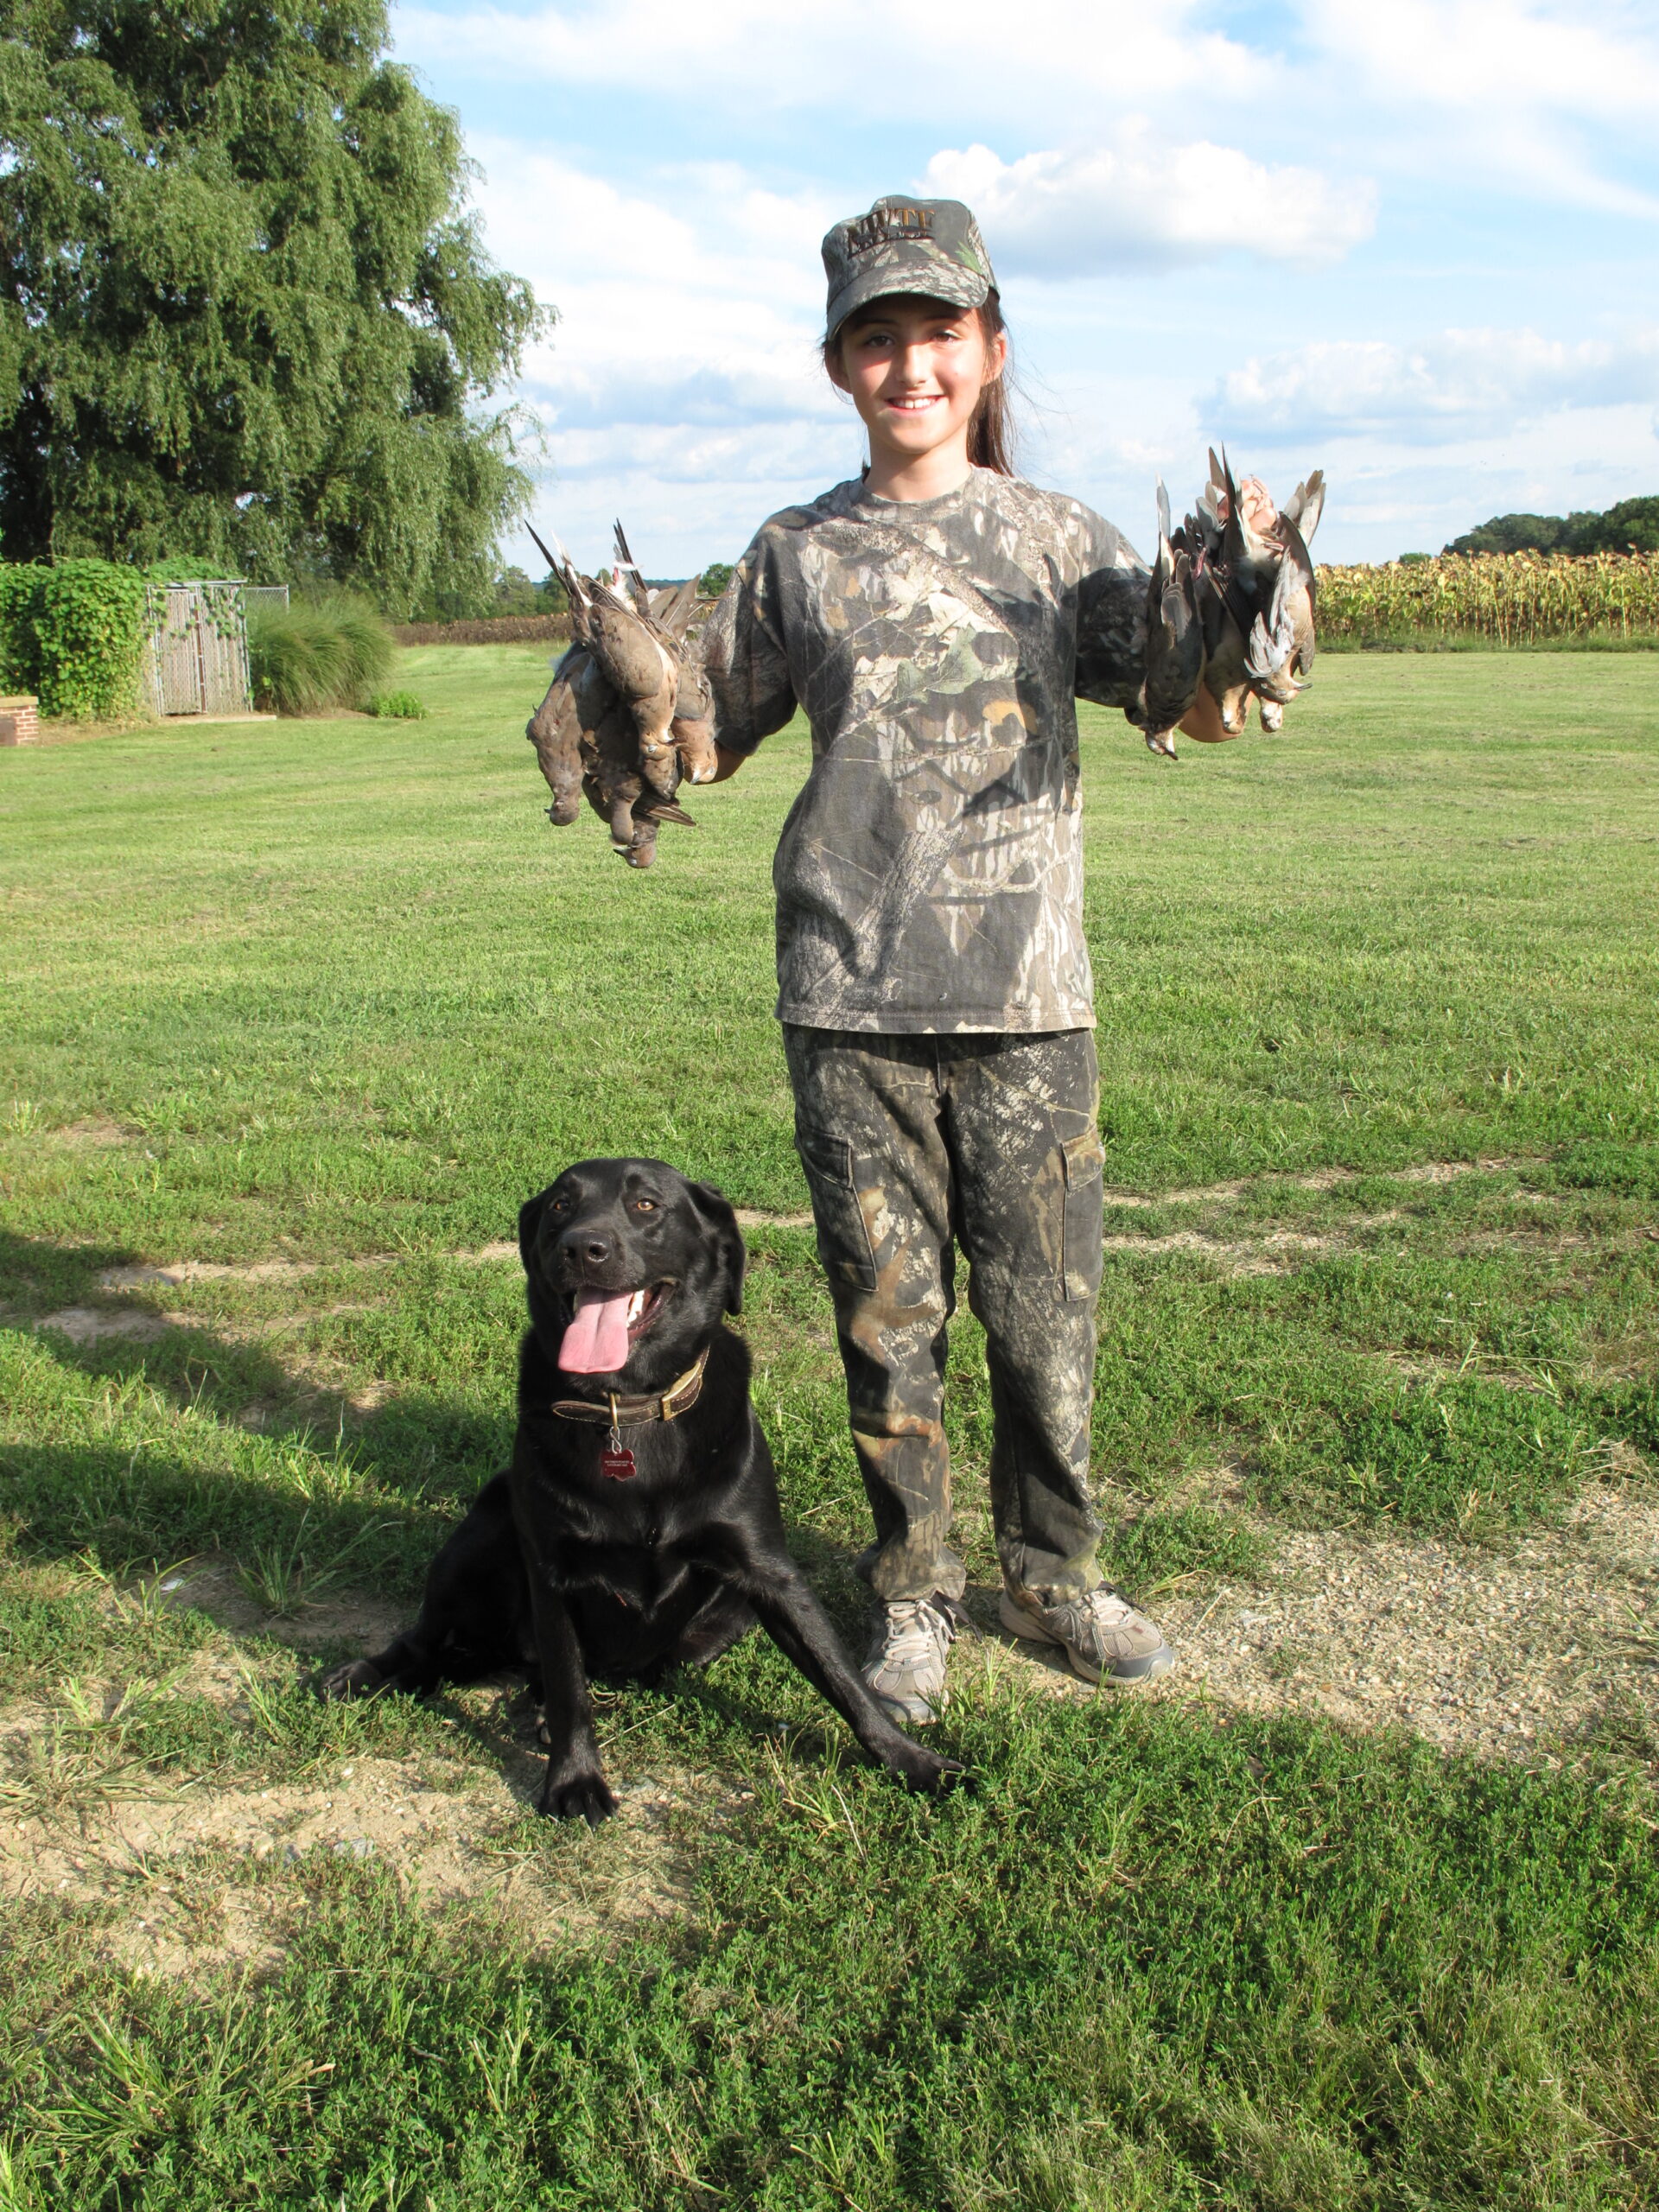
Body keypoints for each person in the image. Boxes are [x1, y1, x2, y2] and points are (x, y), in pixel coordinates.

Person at [699, 195, 1262, 1726]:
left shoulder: (1055, 538)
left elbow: (1192, 701)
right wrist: (626, 711)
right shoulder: (795, 553)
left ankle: (1056, 1573)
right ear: (840, 368)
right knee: (888, 1318)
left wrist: (1241, 626)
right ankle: (916, 1595)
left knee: (1045, 1313)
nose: (910, 367)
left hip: (1026, 1002)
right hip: (850, 996)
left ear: (990, 348)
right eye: (875, 339)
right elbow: (705, 732)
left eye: (938, 334)